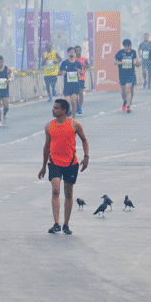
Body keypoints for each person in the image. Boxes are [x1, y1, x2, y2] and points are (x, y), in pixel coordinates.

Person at [37, 99, 90, 235]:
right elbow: (47, 146)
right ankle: (56, 223)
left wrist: (86, 157)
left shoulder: (74, 124)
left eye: (56, 108)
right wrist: (43, 166)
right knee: (55, 190)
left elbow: (84, 140)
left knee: (68, 193)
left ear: (64, 111)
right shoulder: (49, 126)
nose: (53, 110)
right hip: (54, 162)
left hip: (71, 163)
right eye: (53, 107)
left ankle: (66, 224)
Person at [114, 39, 139, 113]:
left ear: (130, 46)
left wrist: (135, 63)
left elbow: (136, 61)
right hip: (122, 73)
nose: (126, 48)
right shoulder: (120, 52)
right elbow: (115, 62)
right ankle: (125, 101)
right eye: (124, 46)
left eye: (127, 47)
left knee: (128, 89)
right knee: (123, 91)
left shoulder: (133, 52)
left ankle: (128, 107)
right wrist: (121, 62)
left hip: (130, 73)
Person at [59, 48, 83, 117]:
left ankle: (73, 119)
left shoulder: (77, 63)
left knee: (73, 101)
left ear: (74, 53)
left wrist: (79, 71)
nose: (71, 53)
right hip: (67, 85)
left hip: (75, 85)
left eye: (72, 52)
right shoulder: (64, 63)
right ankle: (68, 110)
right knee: (67, 102)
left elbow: (81, 73)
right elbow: (59, 72)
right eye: (70, 52)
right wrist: (62, 72)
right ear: (67, 53)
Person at [0, 56, 12, 127]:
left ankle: (4, 114)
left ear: (3, 61)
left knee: (6, 106)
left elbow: (12, 76)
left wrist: (9, 80)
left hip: (5, 89)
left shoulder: (7, 69)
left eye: (0, 62)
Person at [74, 45, 88, 114]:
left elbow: (88, 65)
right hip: (74, 78)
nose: (78, 52)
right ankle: (77, 106)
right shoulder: (73, 59)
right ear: (75, 52)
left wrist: (86, 66)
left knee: (81, 92)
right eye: (76, 51)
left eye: (79, 50)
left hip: (81, 77)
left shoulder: (84, 59)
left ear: (81, 51)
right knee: (75, 93)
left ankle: (79, 107)